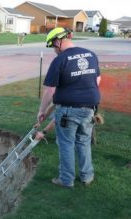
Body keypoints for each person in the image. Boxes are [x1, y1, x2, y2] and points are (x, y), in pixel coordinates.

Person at [37, 27, 101, 188]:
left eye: (52, 46)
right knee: (84, 142)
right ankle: (87, 177)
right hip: (90, 108)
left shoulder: (60, 60)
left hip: (68, 111)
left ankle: (66, 180)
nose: (53, 50)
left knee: (66, 144)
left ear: (58, 41)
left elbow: (50, 90)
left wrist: (41, 111)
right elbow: (97, 80)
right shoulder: (91, 55)